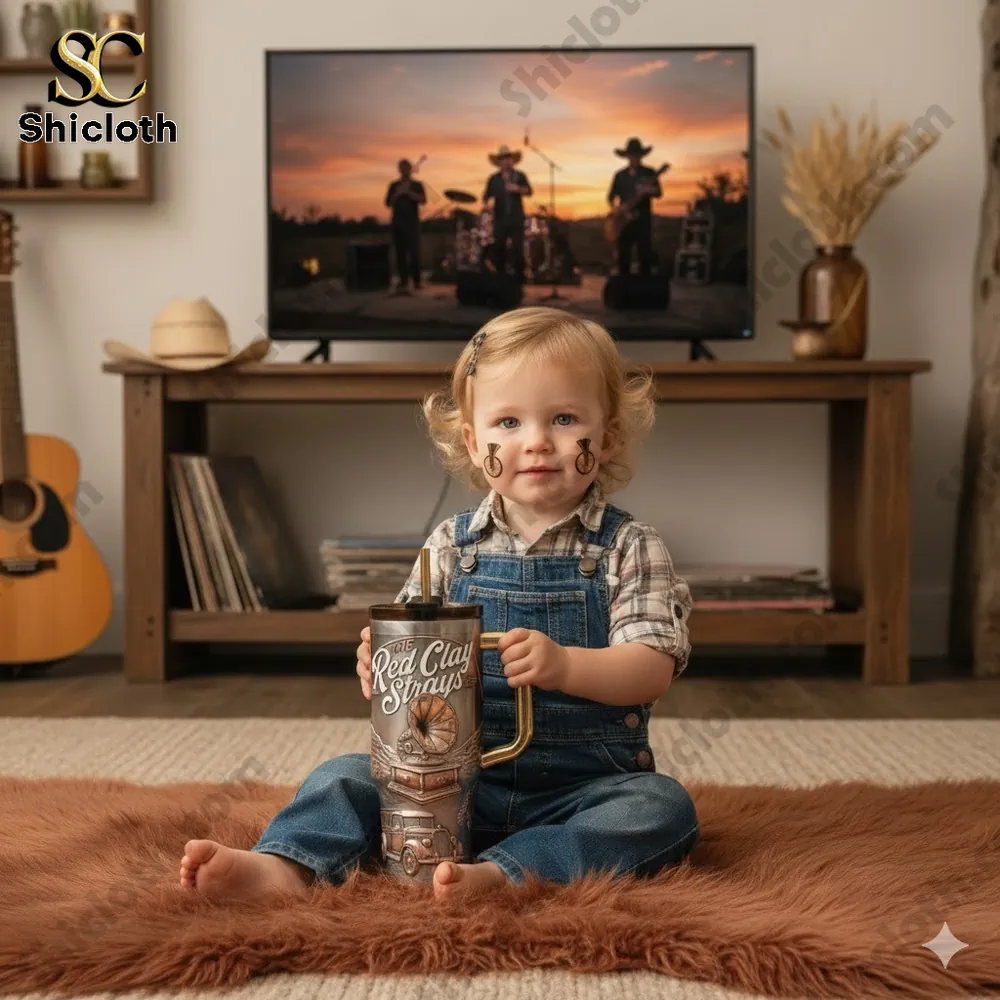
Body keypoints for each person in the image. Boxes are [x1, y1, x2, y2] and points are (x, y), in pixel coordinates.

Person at [178, 306, 698, 903]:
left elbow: (651, 668)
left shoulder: (630, 545)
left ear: (605, 438)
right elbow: (407, 640)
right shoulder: (451, 545)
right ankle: (284, 865)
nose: (534, 441)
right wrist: (380, 661)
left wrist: (567, 667)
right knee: (343, 776)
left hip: (584, 787)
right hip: (442, 783)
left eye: (562, 418)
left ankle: (507, 873)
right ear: (474, 444)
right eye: (507, 422)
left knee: (662, 809)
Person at [607, 137, 665, 276]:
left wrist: (648, 190)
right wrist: (617, 210)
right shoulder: (619, 175)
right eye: (631, 155)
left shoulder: (649, 172)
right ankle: (624, 289)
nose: (634, 157)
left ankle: (644, 290)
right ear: (627, 156)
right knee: (623, 256)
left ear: (641, 155)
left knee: (644, 254)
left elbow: (659, 193)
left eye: (637, 154)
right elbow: (610, 197)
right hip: (624, 221)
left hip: (643, 220)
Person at [482, 144, 533, 283]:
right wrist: (486, 206)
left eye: (508, 158)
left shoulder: (520, 175)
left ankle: (519, 280)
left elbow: (529, 191)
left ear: (512, 160)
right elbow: (486, 196)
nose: (506, 161)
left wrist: (517, 189)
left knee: (518, 249)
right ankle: (501, 279)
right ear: (499, 162)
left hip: (516, 218)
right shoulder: (494, 179)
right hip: (500, 219)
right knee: (498, 248)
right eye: (503, 159)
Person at [384, 158, 426, 292]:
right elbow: (388, 203)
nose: (404, 170)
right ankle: (403, 281)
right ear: (399, 170)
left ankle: (417, 281)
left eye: (406, 167)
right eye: (401, 168)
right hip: (397, 223)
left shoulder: (417, 184)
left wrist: (409, 193)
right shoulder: (394, 185)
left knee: (414, 253)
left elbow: (423, 200)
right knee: (400, 253)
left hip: (412, 223)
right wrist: (398, 193)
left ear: (409, 169)